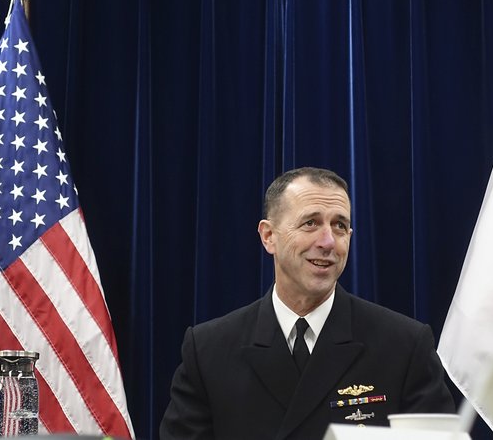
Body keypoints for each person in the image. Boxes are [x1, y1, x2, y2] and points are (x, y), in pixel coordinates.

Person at [160, 167, 455, 439]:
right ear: (268, 236)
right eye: (310, 223)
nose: (328, 242)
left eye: (340, 226)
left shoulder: (404, 345)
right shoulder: (208, 350)